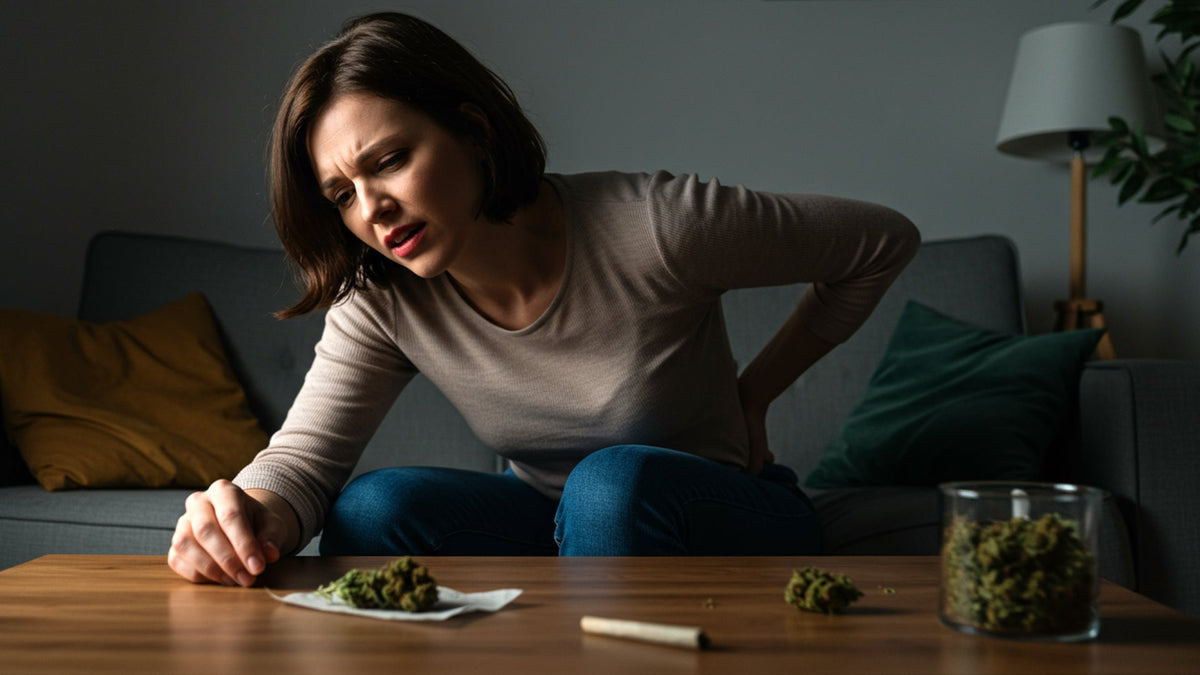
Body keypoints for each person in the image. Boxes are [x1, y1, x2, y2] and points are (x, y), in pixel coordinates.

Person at [168, 11, 920, 587]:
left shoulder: (659, 225)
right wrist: (238, 520)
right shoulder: (383, 299)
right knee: (373, 507)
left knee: (611, 485)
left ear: (472, 131)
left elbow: (881, 241)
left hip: (723, 512)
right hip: (552, 521)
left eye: (390, 161)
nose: (373, 208)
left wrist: (754, 393)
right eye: (342, 195)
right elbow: (304, 461)